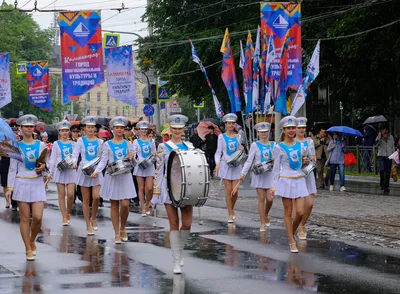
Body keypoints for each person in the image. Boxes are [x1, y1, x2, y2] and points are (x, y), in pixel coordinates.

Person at [152, 114, 193, 275]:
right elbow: (158, 169)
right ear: (170, 129)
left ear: (183, 130)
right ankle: (176, 259)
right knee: (174, 223)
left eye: (180, 129)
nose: (177, 131)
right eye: (174, 129)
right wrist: (156, 191)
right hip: (169, 187)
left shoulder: (189, 146)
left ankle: (179, 250)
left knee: (188, 223)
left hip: (186, 187)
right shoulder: (163, 147)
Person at [5, 114, 47, 260]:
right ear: (21, 129)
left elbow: (45, 166)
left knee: (37, 217)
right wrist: (10, 188)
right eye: (26, 126)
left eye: (31, 126)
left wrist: (42, 168)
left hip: (37, 183)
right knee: (24, 218)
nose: (29, 128)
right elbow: (12, 169)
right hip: (22, 182)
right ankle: (28, 249)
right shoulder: (16, 147)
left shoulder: (41, 145)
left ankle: (32, 240)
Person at [92, 117, 137, 244]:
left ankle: (123, 227)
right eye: (117, 127)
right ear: (113, 129)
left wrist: (132, 157)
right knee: (114, 204)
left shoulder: (129, 144)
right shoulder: (107, 144)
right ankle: (117, 232)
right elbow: (104, 160)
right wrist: (97, 171)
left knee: (125, 204)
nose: (119, 130)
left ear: (124, 130)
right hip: (113, 176)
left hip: (125, 176)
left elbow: (134, 161)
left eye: (121, 128)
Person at [270, 116, 309, 253]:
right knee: (288, 211)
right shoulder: (279, 147)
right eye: (289, 128)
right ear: (284, 130)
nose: (292, 130)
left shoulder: (301, 145)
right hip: (286, 180)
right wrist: (273, 186)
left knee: (300, 212)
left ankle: (290, 233)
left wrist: (305, 162)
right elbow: (275, 169)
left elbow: (303, 162)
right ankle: (292, 240)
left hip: (299, 179)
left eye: (293, 128)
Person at [239, 122, 275, 232]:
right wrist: (243, 173)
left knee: (270, 199)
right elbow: (249, 161)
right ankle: (262, 222)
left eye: (266, 132)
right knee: (261, 198)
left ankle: (265, 214)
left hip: (270, 175)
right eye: (261, 132)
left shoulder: (273, 145)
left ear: (268, 133)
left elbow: (278, 160)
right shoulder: (255, 145)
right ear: (258, 133)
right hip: (259, 175)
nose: (264, 134)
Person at [72, 116, 104, 235]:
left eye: (92, 127)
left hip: (96, 171)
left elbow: (102, 157)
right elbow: (75, 154)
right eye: (88, 127)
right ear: (85, 129)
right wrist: (74, 162)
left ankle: (94, 218)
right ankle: (87, 224)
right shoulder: (80, 141)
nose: (90, 129)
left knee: (96, 197)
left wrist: (99, 168)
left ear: (95, 129)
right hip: (84, 170)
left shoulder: (100, 142)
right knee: (85, 199)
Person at [215, 113, 244, 223]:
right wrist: (217, 164)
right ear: (225, 124)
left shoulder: (238, 137)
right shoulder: (221, 137)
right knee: (228, 190)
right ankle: (230, 212)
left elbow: (239, 152)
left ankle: (232, 208)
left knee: (235, 191)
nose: (231, 125)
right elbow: (218, 152)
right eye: (229, 123)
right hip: (226, 165)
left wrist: (241, 149)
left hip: (236, 166)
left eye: (232, 123)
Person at [48, 120, 76, 226]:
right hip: (59, 171)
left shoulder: (74, 144)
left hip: (70, 171)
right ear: (59, 132)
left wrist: (75, 163)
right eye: (62, 131)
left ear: (69, 132)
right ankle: (64, 216)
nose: (64, 132)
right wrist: (50, 172)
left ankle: (68, 212)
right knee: (61, 195)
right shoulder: (56, 144)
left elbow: (75, 156)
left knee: (70, 195)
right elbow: (53, 158)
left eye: (66, 130)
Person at [295, 117, 317, 240]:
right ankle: (300, 227)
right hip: (297, 176)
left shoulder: (309, 142)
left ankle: (302, 223)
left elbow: (314, 158)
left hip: (308, 175)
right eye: (299, 128)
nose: (302, 130)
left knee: (310, 204)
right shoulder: (292, 142)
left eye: (303, 128)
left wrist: (310, 160)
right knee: (299, 206)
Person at [132, 121, 156, 216]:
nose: (143, 131)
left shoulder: (152, 141)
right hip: (140, 165)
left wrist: (155, 155)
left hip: (149, 165)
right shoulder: (135, 141)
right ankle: (143, 208)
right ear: (139, 130)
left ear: (148, 130)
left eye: (145, 129)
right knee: (141, 188)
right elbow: (134, 154)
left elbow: (154, 153)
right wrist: (132, 157)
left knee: (150, 188)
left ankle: (147, 203)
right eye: (142, 129)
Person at [375, 126, 395, 194]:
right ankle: (381, 183)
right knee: (382, 170)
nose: (384, 132)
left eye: (385, 131)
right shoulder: (379, 137)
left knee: (388, 172)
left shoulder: (391, 137)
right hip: (381, 156)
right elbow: (375, 145)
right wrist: (379, 138)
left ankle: (386, 187)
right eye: (382, 131)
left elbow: (393, 147)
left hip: (389, 156)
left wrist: (393, 156)